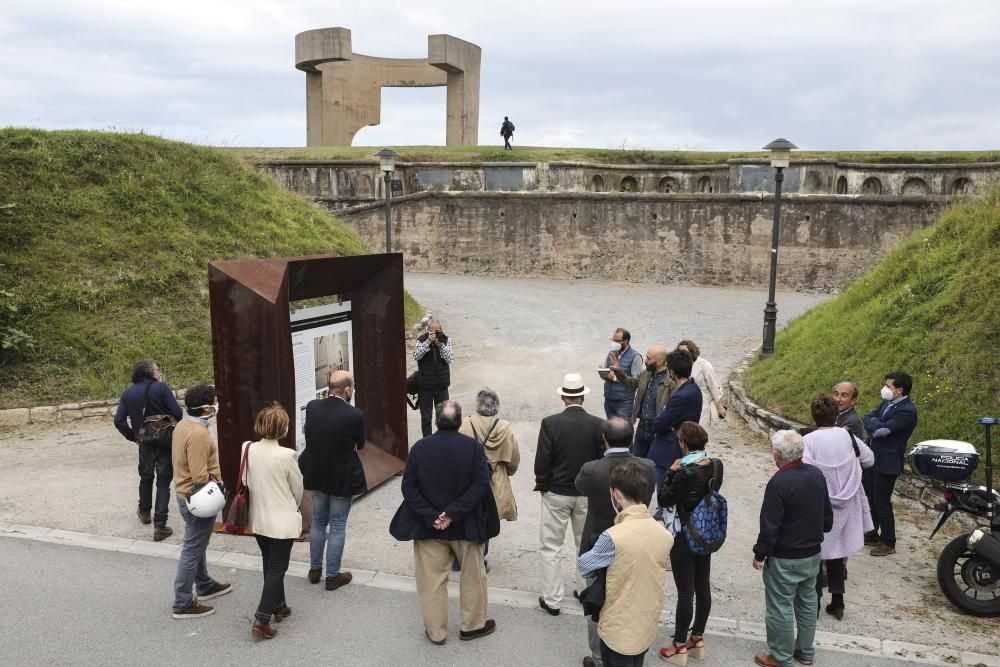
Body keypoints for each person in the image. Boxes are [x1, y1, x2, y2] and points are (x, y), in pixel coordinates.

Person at [389, 401, 500, 644]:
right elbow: (481, 485)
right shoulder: (472, 448)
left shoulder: (420, 448)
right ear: (460, 422)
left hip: (428, 527)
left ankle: (436, 631)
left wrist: (433, 515)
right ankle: (472, 626)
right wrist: (452, 513)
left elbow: (409, 487)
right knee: (473, 576)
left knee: (431, 582)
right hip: (467, 524)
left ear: (436, 421)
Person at [575, 416, 656, 667]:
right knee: (632, 601)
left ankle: (599, 658)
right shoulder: (649, 467)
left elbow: (579, 487)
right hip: (637, 543)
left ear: (604, 439)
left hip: (599, 542)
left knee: (597, 601)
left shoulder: (592, 469)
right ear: (631, 437)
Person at [578, 461, 673, 666]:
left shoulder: (612, 537)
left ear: (617, 495)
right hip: (645, 625)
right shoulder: (665, 535)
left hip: (617, 629)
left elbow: (584, 566)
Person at [752, 430, 832, 667]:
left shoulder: (779, 482)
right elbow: (827, 517)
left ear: (777, 454)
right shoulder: (816, 474)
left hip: (786, 556)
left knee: (780, 606)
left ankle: (781, 656)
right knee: (808, 603)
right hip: (812, 553)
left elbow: (770, 525)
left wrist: (760, 553)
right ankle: (805, 651)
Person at [535, 373, 605, 616]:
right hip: (586, 493)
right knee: (584, 543)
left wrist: (542, 484)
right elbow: (600, 458)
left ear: (564, 396)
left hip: (556, 491)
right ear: (582, 398)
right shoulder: (598, 424)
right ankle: (584, 590)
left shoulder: (550, 423)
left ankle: (553, 599)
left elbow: (542, 460)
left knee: (550, 546)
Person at [656, 422, 723, 664]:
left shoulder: (684, 472)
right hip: (705, 532)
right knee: (702, 585)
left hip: (684, 535)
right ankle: (697, 638)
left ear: (683, 444)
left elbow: (664, 499)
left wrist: (670, 472)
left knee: (686, 591)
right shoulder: (716, 465)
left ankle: (679, 645)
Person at [802, 396, 874, 620]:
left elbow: (804, 468)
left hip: (819, 502)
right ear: (836, 415)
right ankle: (838, 602)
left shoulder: (809, 440)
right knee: (838, 552)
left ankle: (813, 604)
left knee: (817, 551)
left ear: (814, 416)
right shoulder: (848, 435)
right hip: (848, 501)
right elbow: (869, 459)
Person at [299, 370, 367, 590]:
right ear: (347, 390)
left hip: (317, 472)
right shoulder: (354, 415)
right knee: (337, 525)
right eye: (353, 388)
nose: (353, 391)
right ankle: (333, 575)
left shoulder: (312, 407)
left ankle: (315, 569)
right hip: (342, 476)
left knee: (318, 521)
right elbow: (361, 444)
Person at [171, 383, 232, 619]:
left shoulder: (183, 425)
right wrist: (217, 484)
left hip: (183, 494)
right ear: (207, 408)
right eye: (215, 403)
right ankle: (183, 601)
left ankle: (204, 584)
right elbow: (199, 476)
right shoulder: (198, 435)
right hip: (197, 497)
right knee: (192, 549)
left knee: (197, 546)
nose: (218, 406)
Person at [245, 403, 304, 640]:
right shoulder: (287, 455)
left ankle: (279, 604)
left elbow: (245, 479)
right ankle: (262, 617)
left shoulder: (247, 448)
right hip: (282, 519)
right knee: (278, 568)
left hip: (259, 516)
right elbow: (297, 489)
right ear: (283, 429)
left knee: (269, 563)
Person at [114, 359, 183, 541]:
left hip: (143, 440)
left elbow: (119, 421)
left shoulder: (128, 392)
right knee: (163, 482)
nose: (160, 373)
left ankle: (144, 512)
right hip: (164, 440)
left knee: (146, 477)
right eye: (158, 370)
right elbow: (178, 412)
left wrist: (133, 437)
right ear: (151, 372)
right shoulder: (161, 388)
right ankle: (160, 526)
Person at [459, 387, 521, 571]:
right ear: (496, 406)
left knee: (469, 514)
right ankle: (481, 557)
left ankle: (466, 556)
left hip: (471, 478)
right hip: (496, 480)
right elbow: (514, 458)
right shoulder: (504, 427)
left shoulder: (466, 424)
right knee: (487, 518)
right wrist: (507, 471)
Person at [862, 371, 918, 557]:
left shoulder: (907, 411)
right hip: (873, 457)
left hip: (887, 462)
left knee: (882, 503)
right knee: (870, 498)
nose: (885, 389)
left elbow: (881, 432)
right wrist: (874, 423)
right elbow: (868, 417)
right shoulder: (888, 402)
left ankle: (888, 542)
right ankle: (872, 533)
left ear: (899, 390)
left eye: (889, 386)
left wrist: (874, 424)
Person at [650, 350, 702, 516]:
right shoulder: (694, 389)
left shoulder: (680, 396)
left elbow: (658, 424)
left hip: (669, 451)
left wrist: (662, 415)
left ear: (671, 372)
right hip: (682, 444)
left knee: (664, 497)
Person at [610, 345, 673, 460]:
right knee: (635, 462)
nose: (646, 361)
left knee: (653, 463)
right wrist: (618, 370)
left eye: (649, 359)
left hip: (658, 430)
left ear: (659, 361)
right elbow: (630, 384)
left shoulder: (670, 380)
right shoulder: (645, 373)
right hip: (642, 426)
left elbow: (673, 406)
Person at [413, 319, 454, 437]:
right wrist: (428, 342)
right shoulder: (421, 340)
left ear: (441, 330)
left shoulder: (446, 340)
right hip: (425, 386)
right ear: (427, 330)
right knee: (426, 418)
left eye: (438, 331)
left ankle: (445, 440)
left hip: (442, 386)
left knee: (445, 416)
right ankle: (427, 441)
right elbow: (416, 356)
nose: (435, 334)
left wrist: (441, 346)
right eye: (432, 332)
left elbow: (450, 359)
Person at [677, 340, 727, 428]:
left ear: (692, 351)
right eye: (679, 352)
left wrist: (719, 406)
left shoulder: (704, 365)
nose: (682, 354)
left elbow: (714, 385)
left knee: (700, 428)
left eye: (684, 351)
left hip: (704, 403)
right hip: (687, 402)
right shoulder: (681, 366)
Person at [599, 328, 643, 419]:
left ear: (626, 341)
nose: (614, 343)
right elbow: (608, 375)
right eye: (613, 340)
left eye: (617, 341)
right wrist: (602, 373)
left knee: (623, 430)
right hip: (609, 400)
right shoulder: (611, 353)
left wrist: (614, 378)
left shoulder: (636, 357)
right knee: (610, 429)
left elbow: (635, 382)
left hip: (624, 402)